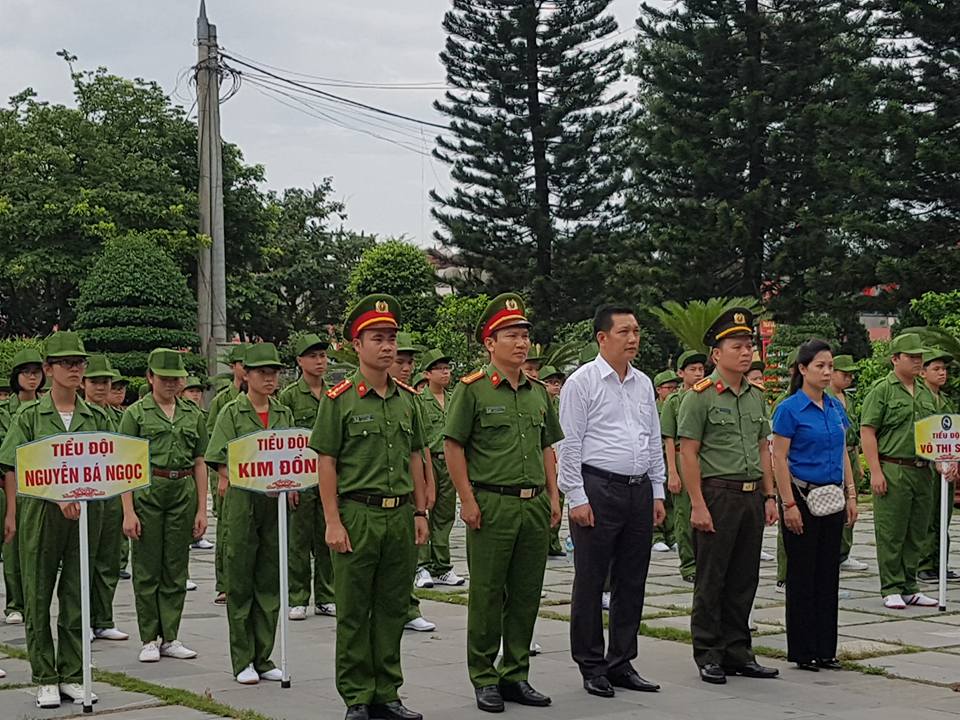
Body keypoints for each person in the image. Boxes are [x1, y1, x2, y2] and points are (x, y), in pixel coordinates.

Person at [310, 294, 429, 720]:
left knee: (394, 606)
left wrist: (420, 512)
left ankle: (387, 691)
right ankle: (357, 695)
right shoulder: (340, 398)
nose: (387, 346)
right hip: (357, 514)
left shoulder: (407, 399)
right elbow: (326, 460)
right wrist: (332, 521)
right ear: (356, 346)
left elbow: (415, 455)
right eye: (377, 338)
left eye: (391, 338)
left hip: (398, 515)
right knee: (355, 609)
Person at [444, 292, 562, 713]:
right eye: (511, 334)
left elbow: (548, 445)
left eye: (524, 334)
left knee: (527, 593)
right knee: (489, 594)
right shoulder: (472, 390)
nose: (521, 342)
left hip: (533, 504)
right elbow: (453, 447)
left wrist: (554, 493)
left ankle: (516, 674)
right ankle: (483, 675)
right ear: (489, 343)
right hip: (491, 503)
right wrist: (467, 499)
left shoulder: (537, 393)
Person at [557, 305, 665, 699]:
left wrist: (657, 490)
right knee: (590, 580)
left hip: (638, 489)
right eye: (624, 331)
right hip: (597, 487)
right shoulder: (582, 382)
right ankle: (591, 664)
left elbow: (652, 440)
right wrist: (576, 496)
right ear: (602, 338)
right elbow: (568, 442)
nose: (633, 338)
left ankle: (622, 660)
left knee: (632, 579)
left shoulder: (643, 383)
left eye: (636, 330)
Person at [0, 331, 111, 709]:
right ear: (49, 370)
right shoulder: (30, 415)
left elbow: (109, 464)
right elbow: (15, 466)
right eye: (66, 363)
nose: (75, 369)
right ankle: (45, 675)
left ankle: (73, 673)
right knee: (37, 592)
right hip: (40, 513)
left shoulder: (95, 415)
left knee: (78, 593)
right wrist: (41, 500)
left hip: (85, 514)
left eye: (80, 363)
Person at [677, 308, 779, 685]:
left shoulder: (755, 396)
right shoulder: (699, 397)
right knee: (711, 579)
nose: (745, 352)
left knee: (744, 577)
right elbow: (688, 452)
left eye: (748, 345)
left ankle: (739, 651)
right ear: (716, 355)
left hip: (751, 496)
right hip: (717, 494)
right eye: (736, 346)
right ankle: (708, 652)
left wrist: (770, 497)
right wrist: (698, 504)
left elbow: (761, 446)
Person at [771, 340, 858, 671]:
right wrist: (788, 504)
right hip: (802, 498)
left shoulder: (835, 408)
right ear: (802, 369)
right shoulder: (789, 409)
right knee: (802, 574)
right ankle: (803, 650)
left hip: (833, 496)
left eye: (830, 366)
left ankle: (826, 648)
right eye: (819, 366)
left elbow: (842, 452)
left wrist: (851, 494)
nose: (826, 372)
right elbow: (779, 458)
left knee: (827, 574)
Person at [206, 343, 290, 684]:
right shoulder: (231, 412)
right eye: (262, 373)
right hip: (243, 501)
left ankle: (264, 657)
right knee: (240, 581)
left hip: (275, 502)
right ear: (247, 376)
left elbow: (294, 454)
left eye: (273, 373)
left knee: (270, 580)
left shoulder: (283, 413)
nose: (269, 379)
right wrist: (227, 477)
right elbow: (217, 456)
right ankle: (243, 659)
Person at [120, 349, 208, 663]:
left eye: (175, 379)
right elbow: (125, 464)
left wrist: (201, 508)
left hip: (182, 489)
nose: (170, 385)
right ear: (150, 378)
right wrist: (128, 511)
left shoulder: (192, 414)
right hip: (148, 490)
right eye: (164, 379)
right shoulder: (136, 414)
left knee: (175, 567)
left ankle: (170, 636)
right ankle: (148, 638)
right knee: (146, 568)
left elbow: (200, 462)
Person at [861, 333, 940, 608]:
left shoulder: (926, 392)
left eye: (920, 356)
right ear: (896, 359)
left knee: (917, 530)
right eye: (912, 356)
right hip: (894, 466)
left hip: (923, 470)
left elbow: (935, 432)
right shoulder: (882, 390)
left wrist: (943, 461)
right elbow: (868, 431)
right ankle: (891, 585)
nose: (918, 361)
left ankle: (910, 585)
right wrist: (875, 471)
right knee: (892, 530)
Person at [278, 333, 337, 620]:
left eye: (323, 356)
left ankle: (326, 596)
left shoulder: (335, 393)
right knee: (298, 541)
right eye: (313, 356)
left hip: (329, 478)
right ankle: (298, 597)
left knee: (328, 537)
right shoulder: (289, 396)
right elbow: (285, 442)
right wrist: (290, 483)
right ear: (300, 361)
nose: (320, 361)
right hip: (301, 478)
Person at [81, 355, 131, 643]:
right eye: (96, 381)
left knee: (109, 560)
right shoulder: (79, 414)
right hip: (86, 495)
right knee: (84, 560)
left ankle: (103, 618)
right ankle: (83, 620)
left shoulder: (117, 416)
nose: (101, 387)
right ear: (84, 384)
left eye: (106, 382)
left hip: (111, 494)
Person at [390, 335, 437, 633]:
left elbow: (420, 449)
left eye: (410, 362)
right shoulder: (347, 398)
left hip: (406, 493)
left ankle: (408, 607)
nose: (407, 368)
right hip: (369, 495)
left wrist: (429, 484)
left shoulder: (410, 399)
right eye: (401, 362)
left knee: (407, 556)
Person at [1, 347, 43, 626]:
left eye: (36, 372)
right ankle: (15, 603)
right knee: (13, 546)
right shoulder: (4, 411)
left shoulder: (48, 407)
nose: (32, 377)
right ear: (16, 376)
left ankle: (35, 601)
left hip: (42, 485)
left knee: (39, 546)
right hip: (10, 483)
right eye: (26, 372)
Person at [415, 348, 465, 587]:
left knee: (445, 515)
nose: (445, 373)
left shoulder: (455, 397)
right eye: (440, 369)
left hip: (449, 462)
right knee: (423, 510)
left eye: (448, 369)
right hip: (427, 460)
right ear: (427, 374)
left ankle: (442, 566)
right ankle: (421, 566)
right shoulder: (419, 400)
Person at [660, 350, 706, 583]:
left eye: (701, 369)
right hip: (680, 457)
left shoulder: (708, 396)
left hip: (705, 460)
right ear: (681, 373)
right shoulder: (673, 401)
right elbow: (668, 439)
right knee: (684, 514)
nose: (698, 374)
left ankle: (706, 562)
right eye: (692, 370)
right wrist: (672, 473)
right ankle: (688, 564)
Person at [208, 343, 247, 605]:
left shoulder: (277, 405)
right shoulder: (223, 400)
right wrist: (223, 475)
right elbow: (213, 438)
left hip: (258, 478)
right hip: (228, 474)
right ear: (234, 367)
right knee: (226, 531)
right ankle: (224, 583)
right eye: (243, 364)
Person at [918, 349, 958, 582]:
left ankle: (939, 562)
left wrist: (952, 461)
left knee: (943, 516)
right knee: (926, 516)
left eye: (944, 369)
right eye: (936, 369)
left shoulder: (946, 401)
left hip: (946, 467)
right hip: (927, 467)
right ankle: (924, 564)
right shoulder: (920, 398)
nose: (942, 373)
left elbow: (951, 435)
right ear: (923, 372)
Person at [828, 355, 870, 572]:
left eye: (851, 375)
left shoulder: (849, 398)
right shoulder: (824, 397)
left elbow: (856, 430)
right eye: (845, 374)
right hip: (833, 454)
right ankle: (833, 551)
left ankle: (845, 552)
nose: (849, 378)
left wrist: (859, 464)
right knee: (834, 504)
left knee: (851, 504)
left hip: (851, 453)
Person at [652, 369, 681, 553]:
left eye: (675, 387)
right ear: (658, 390)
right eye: (668, 387)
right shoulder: (653, 408)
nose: (673, 391)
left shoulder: (678, 405)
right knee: (656, 496)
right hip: (655, 458)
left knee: (672, 499)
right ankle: (656, 534)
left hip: (672, 457)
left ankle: (672, 534)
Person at [540, 366, 567, 557]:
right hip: (543, 455)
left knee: (559, 496)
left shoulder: (562, 404)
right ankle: (543, 541)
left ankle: (553, 541)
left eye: (557, 383)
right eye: (550, 382)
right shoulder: (537, 402)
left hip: (560, 454)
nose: (555, 386)